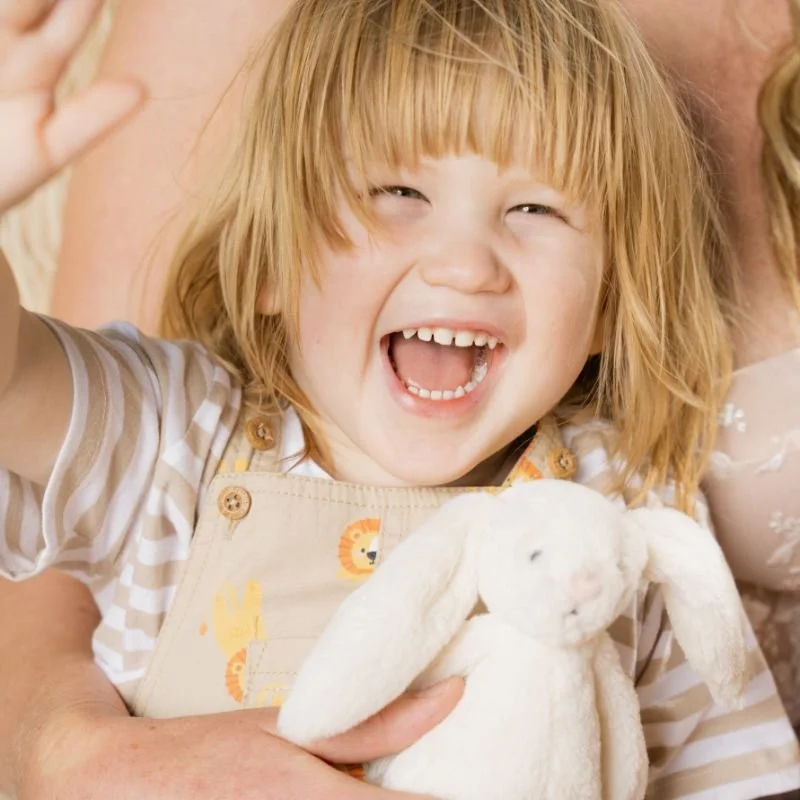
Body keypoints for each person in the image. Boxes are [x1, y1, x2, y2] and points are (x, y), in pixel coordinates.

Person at [1, 2, 799, 800]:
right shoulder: (175, 436)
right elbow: (14, 381)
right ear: (269, 258)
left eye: (535, 209)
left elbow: (733, 783)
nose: (464, 262)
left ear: (604, 307)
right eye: (398, 191)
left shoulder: (626, 507)